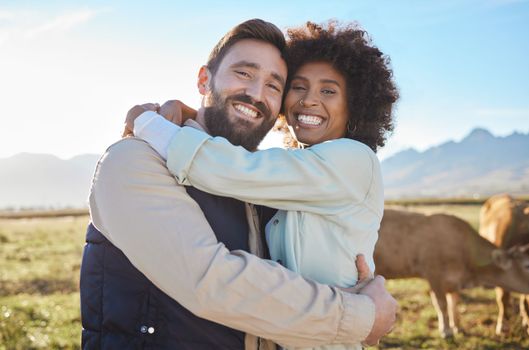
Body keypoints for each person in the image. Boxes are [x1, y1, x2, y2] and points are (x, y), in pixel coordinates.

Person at [82, 19, 397, 350]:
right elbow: (212, 283)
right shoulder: (134, 159)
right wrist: (362, 315)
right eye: (244, 74)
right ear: (205, 80)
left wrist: (154, 121)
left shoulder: (330, 167)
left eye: (274, 86)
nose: (257, 93)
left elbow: (231, 166)